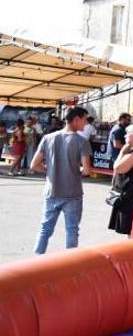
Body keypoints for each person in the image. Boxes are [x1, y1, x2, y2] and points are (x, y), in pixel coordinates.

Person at [29, 107, 93, 254]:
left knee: (45, 228)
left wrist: (50, 170)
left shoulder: (48, 138)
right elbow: (87, 170)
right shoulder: (82, 142)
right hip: (72, 194)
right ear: (76, 119)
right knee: (72, 230)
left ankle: (37, 260)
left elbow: (34, 165)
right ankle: (70, 264)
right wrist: (78, 171)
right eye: (84, 120)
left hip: (51, 192)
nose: (86, 124)